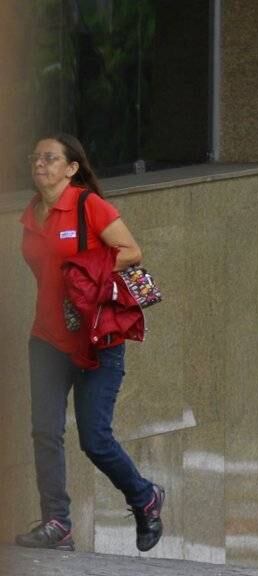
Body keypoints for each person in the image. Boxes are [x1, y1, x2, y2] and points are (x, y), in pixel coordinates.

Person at [15, 133, 164, 553]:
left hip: (97, 339)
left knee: (94, 438)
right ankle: (57, 522)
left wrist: (86, 270)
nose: (40, 164)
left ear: (72, 167)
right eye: (36, 157)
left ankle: (145, 497)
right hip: (46, 338)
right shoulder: (32, 214)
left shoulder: (88, 206)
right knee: (44, 432)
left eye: (50, 158)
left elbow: (131, 251)